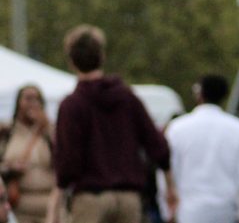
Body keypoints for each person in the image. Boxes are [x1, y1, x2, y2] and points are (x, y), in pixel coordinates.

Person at [52, 25, 173, 223]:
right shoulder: (127, 98)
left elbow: (67, 161)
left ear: (72, 61)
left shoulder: (72, 105)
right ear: (102, 56)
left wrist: (59, 193)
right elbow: (157, 145)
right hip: (128, 197)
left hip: (90, 198)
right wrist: (170, 184)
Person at [165, 74, 239, 223]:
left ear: (199, 94)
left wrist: (168, 211)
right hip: (225, 211)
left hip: (189, 212)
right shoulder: (238, 129)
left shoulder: (177, 128)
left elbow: (168, 171)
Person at [0, 86, 54, 223]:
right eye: (28, 98)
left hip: (48, 205)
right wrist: (9, 168)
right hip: (18, 205)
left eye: (37, 99)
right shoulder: (8, 133)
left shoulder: (50, 133)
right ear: (18, 102)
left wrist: (47, 129)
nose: (33, 103)